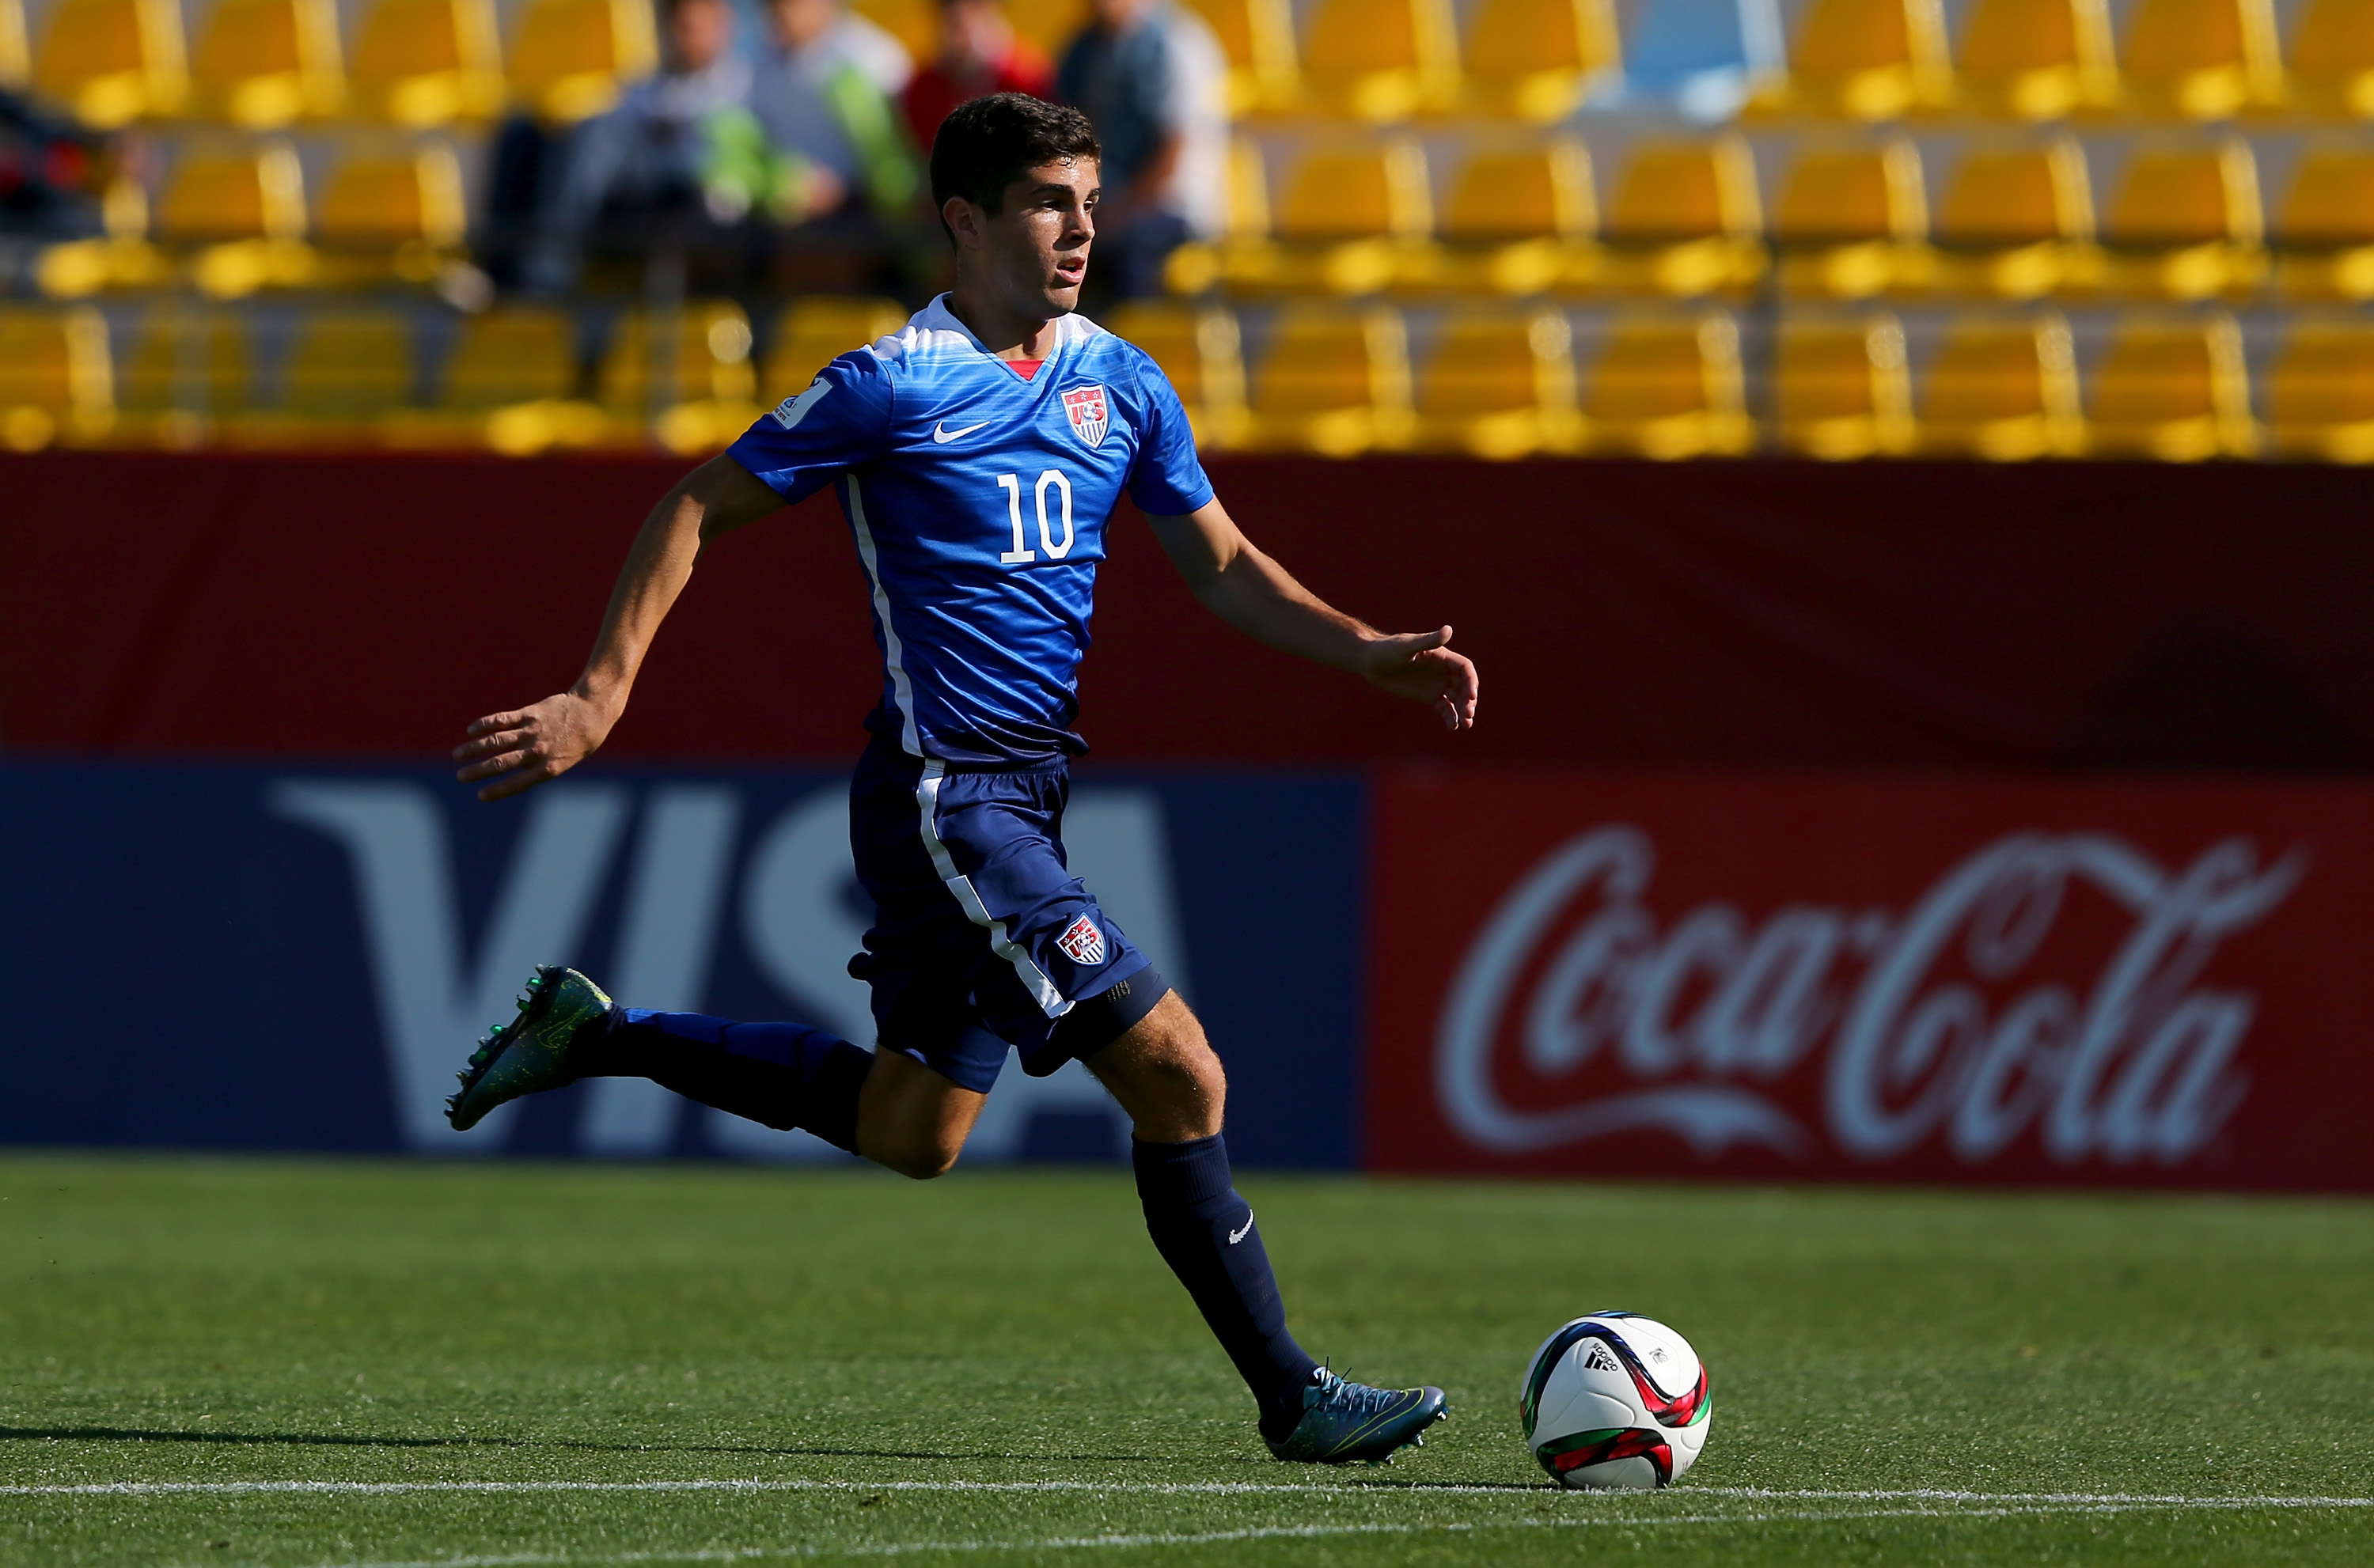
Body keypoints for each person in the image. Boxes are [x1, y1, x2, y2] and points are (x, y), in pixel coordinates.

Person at [446, 93, 1477, 1465]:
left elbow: (1220, 564)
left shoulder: (1127, 380)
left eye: (1091, 203)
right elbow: (694, 502)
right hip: (949, 800)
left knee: (913, 1126)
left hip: (1026, 793)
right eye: (1050, 202)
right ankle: (1296, 1395)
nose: (1079, 229)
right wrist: (598, 695)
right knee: (1182, 1077)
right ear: (965, 219)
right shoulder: (891, 382)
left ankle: (601, 1033)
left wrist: (1363, 649)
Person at [524, 0, 756, 289]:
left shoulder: (747, 83)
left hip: (698, 189)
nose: (691, 33)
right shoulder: (651, 85)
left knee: (601, 137)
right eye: (682, 24)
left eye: (703, 22)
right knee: (534, 130)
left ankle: (549, 270)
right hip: (641, 193)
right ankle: (521, 264)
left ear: (725, 23)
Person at [1054, 0, 1227, 299]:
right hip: (1106, 204)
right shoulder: (1083, 47)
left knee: (1124, 256)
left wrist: (1117, 213)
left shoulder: (1177, 42)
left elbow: (1173, 155)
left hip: (1171, 208)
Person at [903, 0, 1054, 151]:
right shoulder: (924, 88)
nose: (962, 14)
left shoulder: (1026, 76)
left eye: (976, 5)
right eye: (949, 4)